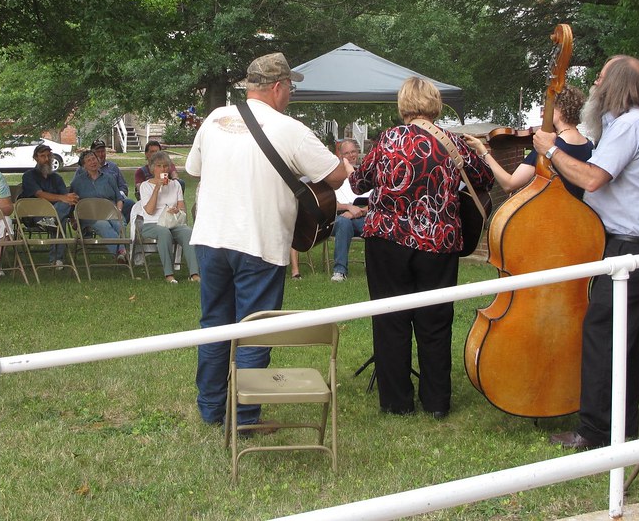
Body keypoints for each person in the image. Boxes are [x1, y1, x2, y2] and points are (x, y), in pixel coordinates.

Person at [187, 52, 350, 429]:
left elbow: (193, 169)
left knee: (215, 324)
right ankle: (243, 417)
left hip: (211, 238)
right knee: (255, 331)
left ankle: (211, 409)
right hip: (259, 242)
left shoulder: (214, 120)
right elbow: (337, 175)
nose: (291, 93)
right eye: (290, 87)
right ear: (278, 87)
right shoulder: (291, 129)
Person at [534, 56, 639, 450]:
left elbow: (593, 179)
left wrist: (553, 150)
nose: (594, 82)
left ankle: (593, 431)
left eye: (602, 77)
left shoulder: (629, 126)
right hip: (635, 241)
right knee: (624, 338)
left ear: (616, 85)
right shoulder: (626, 124)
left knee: (602, 334)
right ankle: (622, 425)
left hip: (631, 244)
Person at [350, 77, 494, 419]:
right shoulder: (453, 143)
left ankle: (396, 402)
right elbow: (485, 180)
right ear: (435, 104)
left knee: (390, 320)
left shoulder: (388, 139)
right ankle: (436, 402)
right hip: (438, 241)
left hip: (387, 239)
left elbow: (359, 182)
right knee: (435, 321)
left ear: (403, 105)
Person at [464, 84, 593, 199]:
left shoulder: (548, 148)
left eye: (546, 109)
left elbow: (509, 184)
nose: (542, 115)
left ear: (561, 109)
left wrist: (483, 151)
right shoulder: (589, 145)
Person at [137, 150, 199, 283]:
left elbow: (182, 208)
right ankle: (169, 274)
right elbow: (149, 211)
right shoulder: (145, 186)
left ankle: (194, 274)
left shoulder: (175, 184)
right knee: (164, 233)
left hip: (173, 222)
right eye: (159, 166)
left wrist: (177, 210)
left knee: (188, 233)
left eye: (165, 166)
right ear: (153, 168)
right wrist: (156, 188)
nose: (163, 169)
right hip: (152, 224)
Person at [20, 143, 78, 268]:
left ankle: (52, 220)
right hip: (35, 215)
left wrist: (69, 202)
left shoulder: (57, 178)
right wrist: (62, 198)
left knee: (66, 205)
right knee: (60, 221)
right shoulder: (28, 176)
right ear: (36, 158)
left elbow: (66, 200)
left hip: (53, 217)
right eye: (42, 156)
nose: (46, 159)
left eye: (48, 156)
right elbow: (39, 194)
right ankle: (56, 259)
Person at [70, 149, 129, 263]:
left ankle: (121, 254)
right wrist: (72, 219)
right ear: (84, 166)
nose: (92, 162)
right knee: (103, 225)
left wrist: (118, 210)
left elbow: (119, 198)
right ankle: (122, 252)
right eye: (88, 160)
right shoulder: (77, 182)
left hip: (111, 212)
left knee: (120, 224)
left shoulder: (109, 178)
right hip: (90, 216)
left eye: (94, 159)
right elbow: (72, 202)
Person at [330, 138, 370, 282]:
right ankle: (339, 271)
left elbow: (376, 201)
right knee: (343, 223)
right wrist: (348, 208)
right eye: (347, 153)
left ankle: (373, 267)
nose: (351, 155)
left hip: (362, 216)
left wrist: (361, 211)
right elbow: (329, 203)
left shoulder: (365, 175)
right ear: (340, 156)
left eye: (353, 151)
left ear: (358, 152)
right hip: (338, 217)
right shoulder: (334, 177)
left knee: (376, 224)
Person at [75, 139, 135, 222]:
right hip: (93, 205)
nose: (101, 154)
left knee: (130, 203)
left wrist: (118, 196)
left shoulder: (113, 167)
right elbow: (75, 191)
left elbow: (123, 186)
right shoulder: (82, 170)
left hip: (113, 202)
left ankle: (120, 225)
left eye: (103, 151)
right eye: (97, 152)